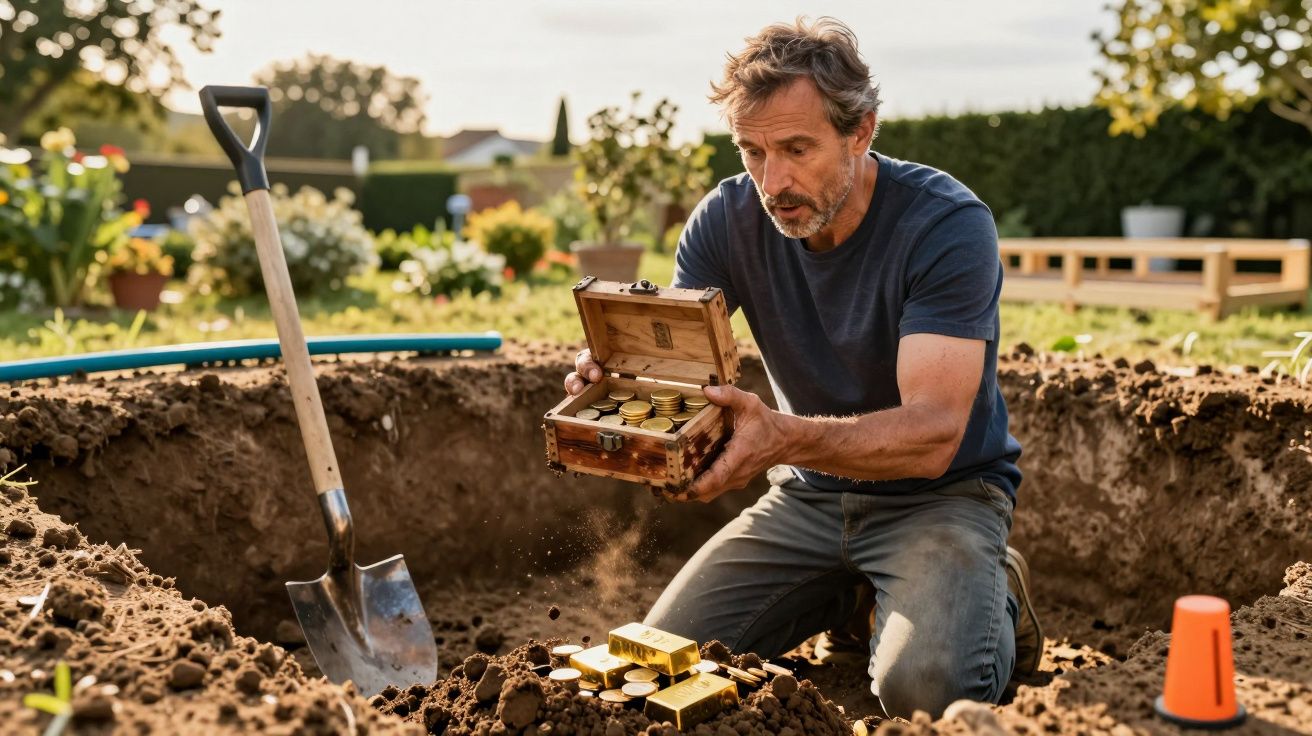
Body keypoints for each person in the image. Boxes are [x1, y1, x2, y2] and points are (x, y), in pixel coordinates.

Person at [563, 17, 1042, 719]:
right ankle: (851, 598)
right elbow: (682, 372)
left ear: (861, 132)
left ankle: (996, 596)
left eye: (796, 148)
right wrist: (621, 386)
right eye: (752, 151)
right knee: (661, 669)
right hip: (807, 500)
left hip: (940, 498)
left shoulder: (944, 224)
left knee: (921, 693)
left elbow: (936, 432)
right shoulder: (725, 221)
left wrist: (782, 437)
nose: (773, 180)